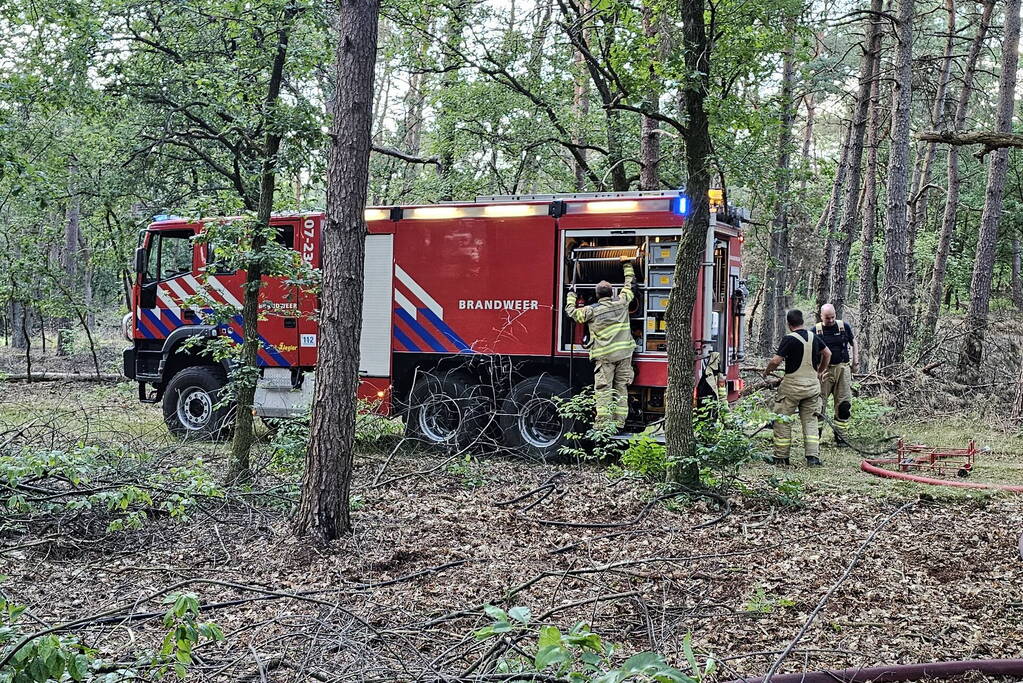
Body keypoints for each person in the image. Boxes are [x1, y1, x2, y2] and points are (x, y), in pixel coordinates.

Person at [565, 255, 637, 433]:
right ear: (612, 293)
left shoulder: (591, 310)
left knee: (604, 390)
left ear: (596, 295)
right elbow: (630, 284)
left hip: (604, 357)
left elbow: (572, 313)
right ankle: (619, 423)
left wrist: (571, 296)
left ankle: (604, 426)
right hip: (625, 355)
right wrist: (626, 264)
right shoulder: (622, 302)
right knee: (621, 388)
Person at [762, 309, 831, 467]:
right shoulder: (815, 337)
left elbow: (775, 361)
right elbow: (827, 354)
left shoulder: (789, 339)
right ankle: (813, 458)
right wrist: (820, 372)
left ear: (788, 324)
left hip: (792, 388)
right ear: (802, 322)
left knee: (782, 420)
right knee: (811, 421)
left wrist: (767, 372)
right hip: (812, 387)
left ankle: (781, 458)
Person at [815, 304, 857, 444]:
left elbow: (853, 342)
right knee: (819, 404)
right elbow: (809, 352)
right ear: (821, 316)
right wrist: (816, 371)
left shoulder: (843, 327)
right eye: (828, 318)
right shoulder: (816, 331)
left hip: (843, 369)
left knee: (844, 404)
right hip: (824, 372)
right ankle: (815, 436)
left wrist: (855, 361)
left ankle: (841, 437)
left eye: (833, 317)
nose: (831, 320)